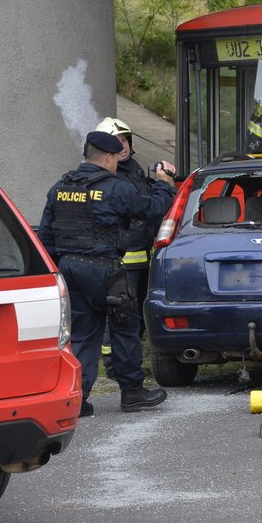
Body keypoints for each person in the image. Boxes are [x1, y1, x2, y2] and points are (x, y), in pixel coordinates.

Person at [38, 131, 176, 417]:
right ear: (109, 157)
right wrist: (164, 183)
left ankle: (77, 398)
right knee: (124, 328)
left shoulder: (60, 186)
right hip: (105, 270)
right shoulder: (115, 188)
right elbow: (152, 209)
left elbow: (47, 234)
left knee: (82, 335)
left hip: (68, 269)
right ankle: (133, 394)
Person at [94, 117, 161, 377]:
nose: (122, 146)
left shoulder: (132, 170)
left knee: (136, 317)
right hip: (123, 261)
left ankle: (129, 364)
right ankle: (113, 367)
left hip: (144, 258)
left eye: (125, 140)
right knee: (121, 316)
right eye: (117, 141)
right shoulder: (109, 179)